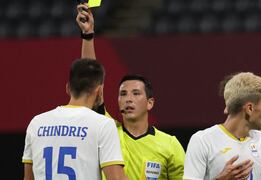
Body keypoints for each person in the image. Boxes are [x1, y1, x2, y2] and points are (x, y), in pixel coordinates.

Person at [76, 4, 185, 179]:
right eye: (123, 94)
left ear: (150, 103)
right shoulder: (109, 131)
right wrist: (88, 35)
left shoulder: (169, 144)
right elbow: (90, 79)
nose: (128, 99)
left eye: (136, 93)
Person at [22, 59, 127, 180]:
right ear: (99, 91)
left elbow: (28, 178)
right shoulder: (103, 124)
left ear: (68, 88)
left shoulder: (36, 123)